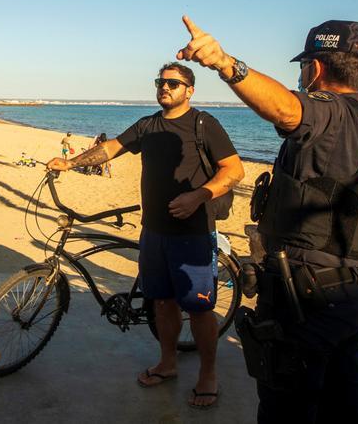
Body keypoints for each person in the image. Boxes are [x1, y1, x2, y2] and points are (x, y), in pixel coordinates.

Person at [177, 16, 358, 423]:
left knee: (287, 411)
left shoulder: (331, 113)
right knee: (342, 409)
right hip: (356, 296)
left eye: (302, 69)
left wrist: (226, 64)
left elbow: (286, 109)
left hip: (307, 302)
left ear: (314, 69)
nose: (300, 77)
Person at [48, 62, 245, 409]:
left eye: (173, 82)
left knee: (199, 309)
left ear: (190, 90)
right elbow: (111, 148)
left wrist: (199, 195)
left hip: (194, 233)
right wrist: (71, 163)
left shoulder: (204, 124)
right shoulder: (148, 125)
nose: (165, 87)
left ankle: (208, 373)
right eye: (161, 82)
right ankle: (168, 363)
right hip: (154, 231)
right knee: (163, 302)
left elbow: (234, 169)